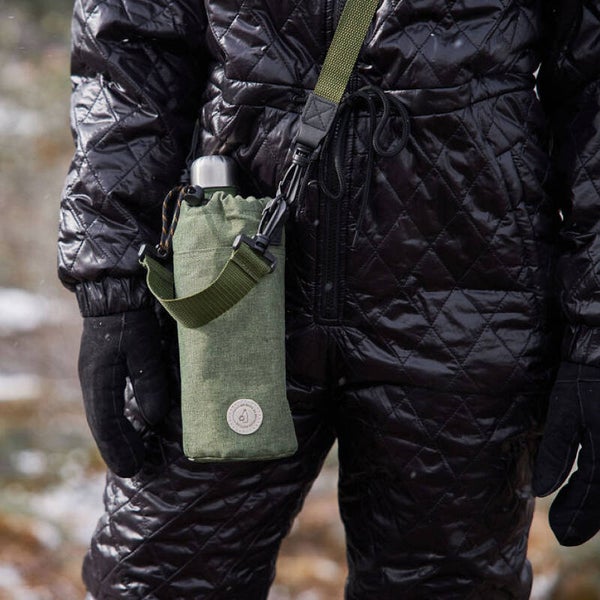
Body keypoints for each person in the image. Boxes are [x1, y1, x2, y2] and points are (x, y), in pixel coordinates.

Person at [57, 0, 600, 598]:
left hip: (470, 295)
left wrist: (594, 329)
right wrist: (110, 268)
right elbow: (129, 47)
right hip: (231, 280)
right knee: (156, 583)